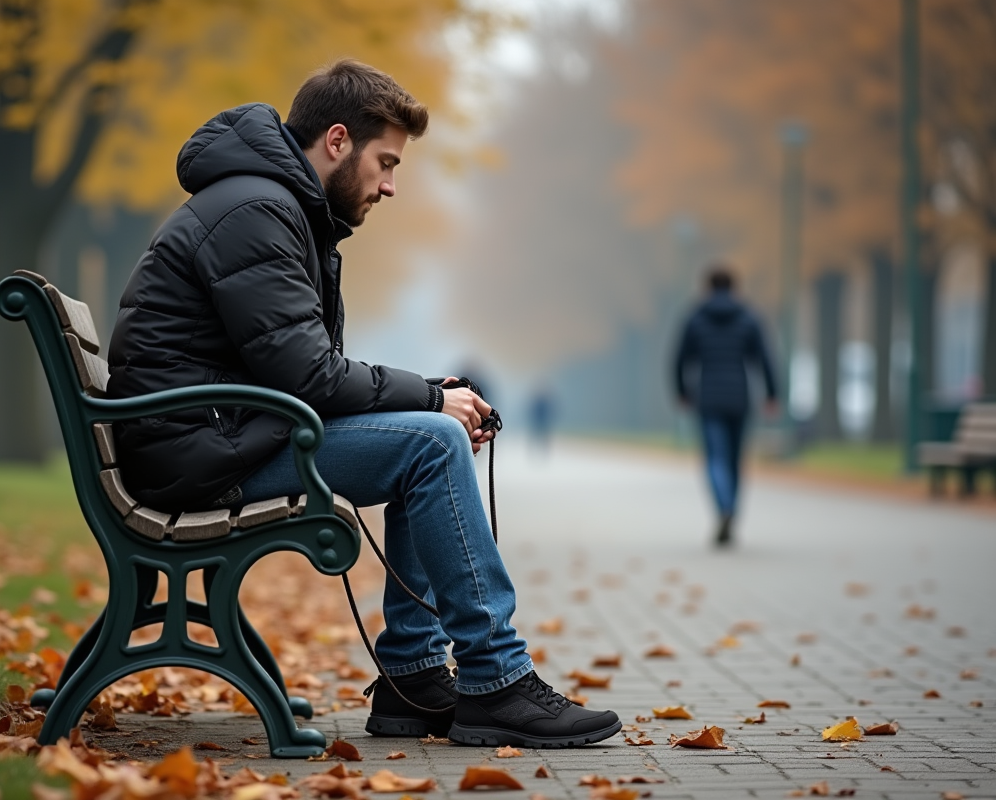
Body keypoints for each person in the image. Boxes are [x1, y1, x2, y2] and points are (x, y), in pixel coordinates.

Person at [106, 60, 621, 748]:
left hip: (210, 434)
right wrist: (434, 397)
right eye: (385, 162)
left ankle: (412, 676)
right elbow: (308, 373)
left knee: (424, 435)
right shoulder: (257, 211)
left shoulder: (271, 205)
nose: (390, 185)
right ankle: (495, 678)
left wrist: (429, 399)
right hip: (198, 451)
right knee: (430, 442)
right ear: (338, 141)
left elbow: (301, 370)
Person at [673, 265, 778, 547]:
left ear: (707, 287)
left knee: (715, 458)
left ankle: (723, 508)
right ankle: (732, 510)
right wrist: (772, 394)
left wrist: (681, 391)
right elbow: (764, 358)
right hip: (739, 396)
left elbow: (680, 359)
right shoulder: (748, 317)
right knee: (734, 460)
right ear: (734, 287)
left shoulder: (695, 317)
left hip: (707, 397)